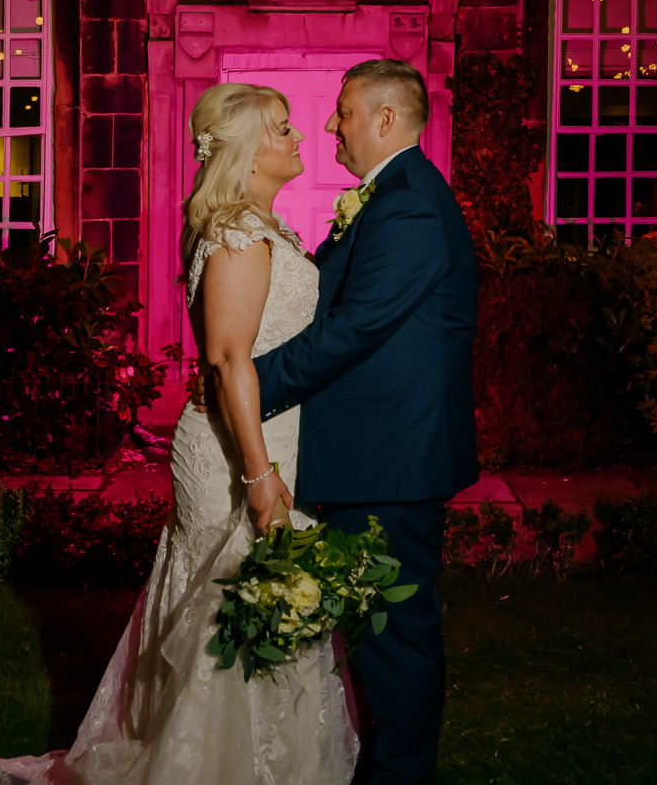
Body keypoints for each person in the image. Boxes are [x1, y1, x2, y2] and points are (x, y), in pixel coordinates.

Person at [0, 82, 358, 785]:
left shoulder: (263, 226)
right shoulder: (237, 234)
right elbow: (228, 359)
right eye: (282, 128)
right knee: (229, 606)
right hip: (236, 449)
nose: (299, 137)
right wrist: (259, 478)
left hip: (266, 435)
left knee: (250, 603)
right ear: (249, 151)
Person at [193, 58, 477, 785]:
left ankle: (400, 776)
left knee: (396, 641)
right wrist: (235, 382)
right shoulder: (392, 197)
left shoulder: (409, 205)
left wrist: (242, 389)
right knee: (375, 640)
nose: (328, 125)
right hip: (370, 457)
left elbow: (352, 331)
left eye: (343, 112)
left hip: (390, 462)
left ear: (386, 119)